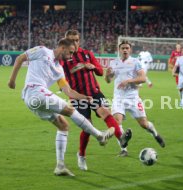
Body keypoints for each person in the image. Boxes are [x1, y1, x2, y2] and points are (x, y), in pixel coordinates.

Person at [8, 38, 115, 176]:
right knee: (70, 110)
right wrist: (12, 80)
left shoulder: (59, 69)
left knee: (63, 126)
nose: (71, 56)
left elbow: (68, 91)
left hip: (37, 101)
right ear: (62, 48)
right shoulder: (42, 51)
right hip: (34, 92)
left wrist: (84, 97)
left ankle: (60, 166)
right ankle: (99, 136)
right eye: (70, 52)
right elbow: (20, 58)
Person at [61, 30, 131, 165]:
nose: (74, 43)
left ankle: (121, 138)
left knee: (106, 113)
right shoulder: (63, 59)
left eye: (76, 40)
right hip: (78, 97)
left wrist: (92, 66)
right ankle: (81, 155)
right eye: (71, 40)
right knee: (88, 127)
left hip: (94, 92)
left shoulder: (87, 54)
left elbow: (100, 71)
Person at [105, 40, 165, 156]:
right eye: (123, 48)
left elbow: (142, 78)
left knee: (144, 124)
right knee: (117, 122)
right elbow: (108, 81)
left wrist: (129, 81)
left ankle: (155, 133)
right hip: (118, 97)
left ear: (130, 50)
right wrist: (107, 75)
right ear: (119, 50)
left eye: (127, 48)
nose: (125, 50)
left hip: (133, 97)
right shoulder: (114, 63)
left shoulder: (135, 62)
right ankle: (124, 149)